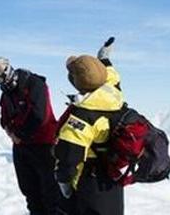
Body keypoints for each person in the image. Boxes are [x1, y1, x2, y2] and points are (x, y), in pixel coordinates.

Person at [54, 39, 124, 215]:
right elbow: (111, 76)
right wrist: (104, 59)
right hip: (113, 173)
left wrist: (64, 184)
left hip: (91, 179)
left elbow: (68, 156)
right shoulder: (113, 94)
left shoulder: (82, 116)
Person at [0, 57, 61, 215]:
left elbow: (40, 116)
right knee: (29, 190)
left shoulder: (34, 85)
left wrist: (20, 135)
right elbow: (4, 116)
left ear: (7, 72)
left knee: (50, 192)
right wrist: (9, 130)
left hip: (43, 146)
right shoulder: (6, 92)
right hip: (21, 147)